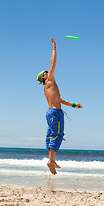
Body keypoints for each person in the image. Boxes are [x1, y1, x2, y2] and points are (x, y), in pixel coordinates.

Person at [37, 38, 83, 175]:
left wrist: (74, 105)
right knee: (57, 134)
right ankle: (51, 161)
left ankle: (52, 159)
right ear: (44, 77)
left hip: (52, 112)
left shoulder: (48, 88)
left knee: (53, 135)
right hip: (55, 113)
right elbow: (53, 63)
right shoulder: (49, 81)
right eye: (46, 72)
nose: (48, 72)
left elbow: (60, 100)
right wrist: (54, 48)